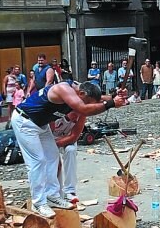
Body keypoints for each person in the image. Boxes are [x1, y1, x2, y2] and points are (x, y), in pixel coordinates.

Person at [11, 81, 127, 218]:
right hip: (25, 122)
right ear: (81, 94)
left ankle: (52, 196)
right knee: (37, 161)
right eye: (86, 102)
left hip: (40, 125)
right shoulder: (63, 89)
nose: (86, 105)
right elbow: (83, 108)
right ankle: (39, 203)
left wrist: (115, 96)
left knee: (53, 156)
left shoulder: (80, 92)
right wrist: (111, 104)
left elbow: (100, 99)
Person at [53, 110, 85, 205]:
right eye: (74, 115)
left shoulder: (82, 114)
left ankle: (70, 190)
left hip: (68, 138)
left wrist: (60, 142)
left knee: (71, 150)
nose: (76, 118)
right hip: (50, 137)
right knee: (55, 161)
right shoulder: (57, 113)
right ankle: (57, 192)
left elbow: (74, 136)